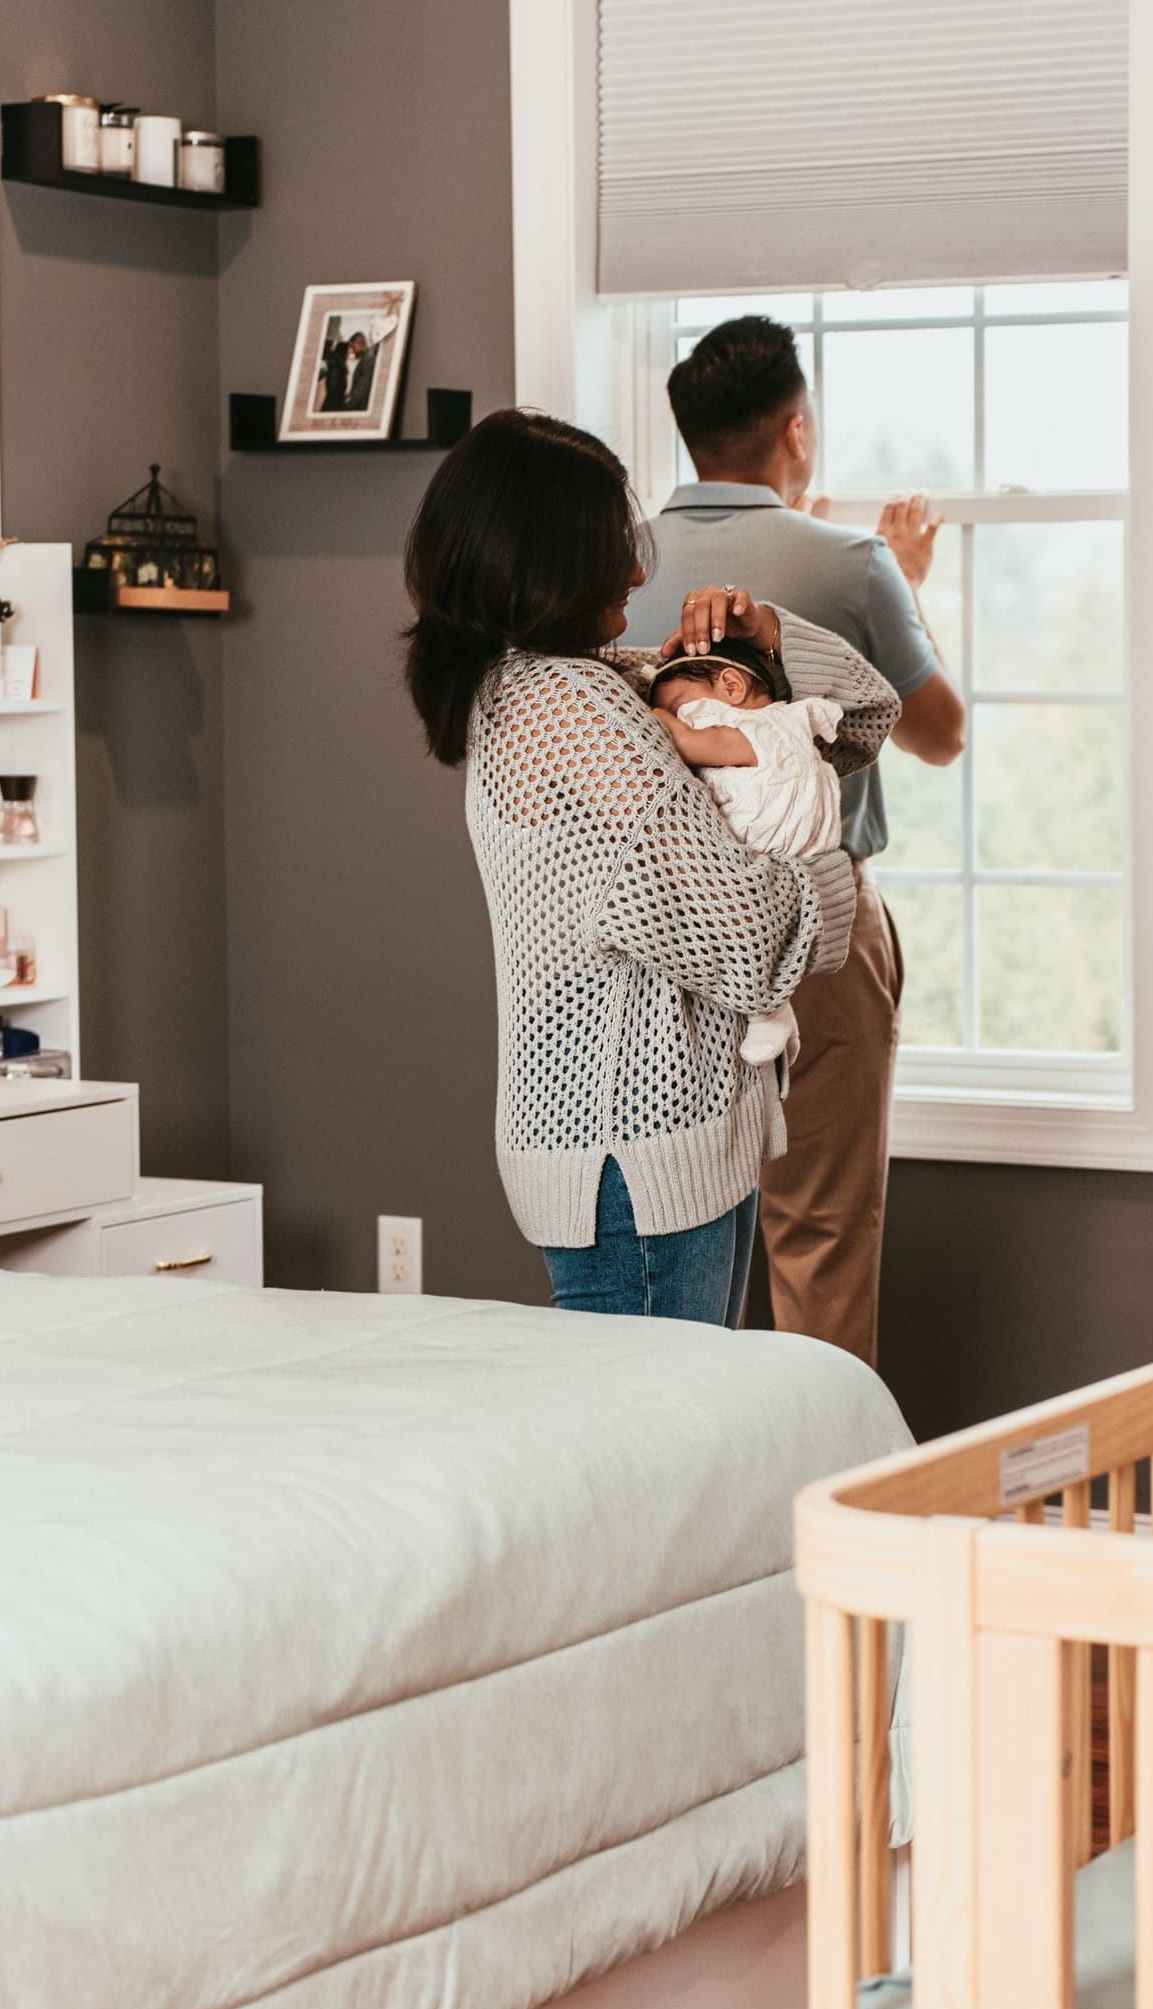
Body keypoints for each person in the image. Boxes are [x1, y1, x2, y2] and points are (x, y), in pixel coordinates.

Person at [402, 406, 898, 1325]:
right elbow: (746, 937)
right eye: (612, 541)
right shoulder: (572, 707)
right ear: (547, 557)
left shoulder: (564, 683)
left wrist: (771, 634)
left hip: (644, 1155)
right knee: (660, 1452)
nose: (637, 566)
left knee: (666, 1440)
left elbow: (862, 717)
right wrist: (844, 882)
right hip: (637, 1161)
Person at [644, 315, 965, 1367]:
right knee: (818, 1224)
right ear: (796, 427)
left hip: (662, 922)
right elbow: (938, 734)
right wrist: (902, 579)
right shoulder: (853, 562)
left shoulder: (620, 561)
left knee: (677, 1215)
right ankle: (821, 1515)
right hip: (812, 916)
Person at [644, 637, 844, 1067]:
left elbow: (688, 744)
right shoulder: (790, 728)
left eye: (682, 705)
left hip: (764, 851)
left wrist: (657, 716)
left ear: (732, 687)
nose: (679, 716)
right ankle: (771, 1005)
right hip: (797, 855)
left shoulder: (761, 730)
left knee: (726, 918)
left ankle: (767, 1007)